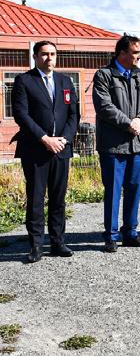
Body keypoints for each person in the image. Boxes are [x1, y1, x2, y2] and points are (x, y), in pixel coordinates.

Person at [11, 40, 78, 263]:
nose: (49, 58)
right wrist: (45, 139)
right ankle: (36, 245)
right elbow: (21, 114)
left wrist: (64, 139)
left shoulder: (65, 81)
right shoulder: (24, 81)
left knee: (58, 198)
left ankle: (58, 242)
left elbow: (73, 114)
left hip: (61, 149)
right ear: (35, 57)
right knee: (36, 198)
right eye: (44, 54)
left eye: (53, 54)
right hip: (35, 150)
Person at [92, 35, 140, 253]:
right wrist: (127, 123)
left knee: (134, 189)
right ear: (122, 53)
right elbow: (104, 106)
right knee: (113, 191)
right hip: (113, 146)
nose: (139, 57)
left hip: (136, 144)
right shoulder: (104, 75)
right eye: (135, 52)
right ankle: (111, 236)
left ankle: (130, 233)